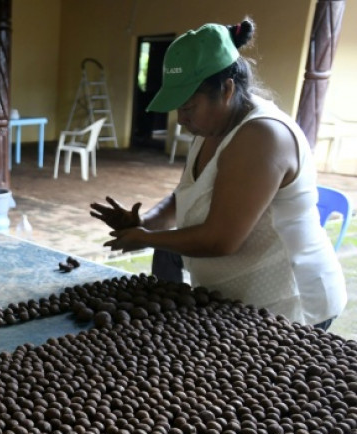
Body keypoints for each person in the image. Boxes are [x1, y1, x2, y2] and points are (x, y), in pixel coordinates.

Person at [91, 19, 346, 329]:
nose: (181, 120)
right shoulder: (210, 127)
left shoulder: (262, 136)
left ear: (227, 90)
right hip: (236, 302)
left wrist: (147, 239)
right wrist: (145, 221)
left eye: (188, 107)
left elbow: (221, 239)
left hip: (289, 305)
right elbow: (184, 196)